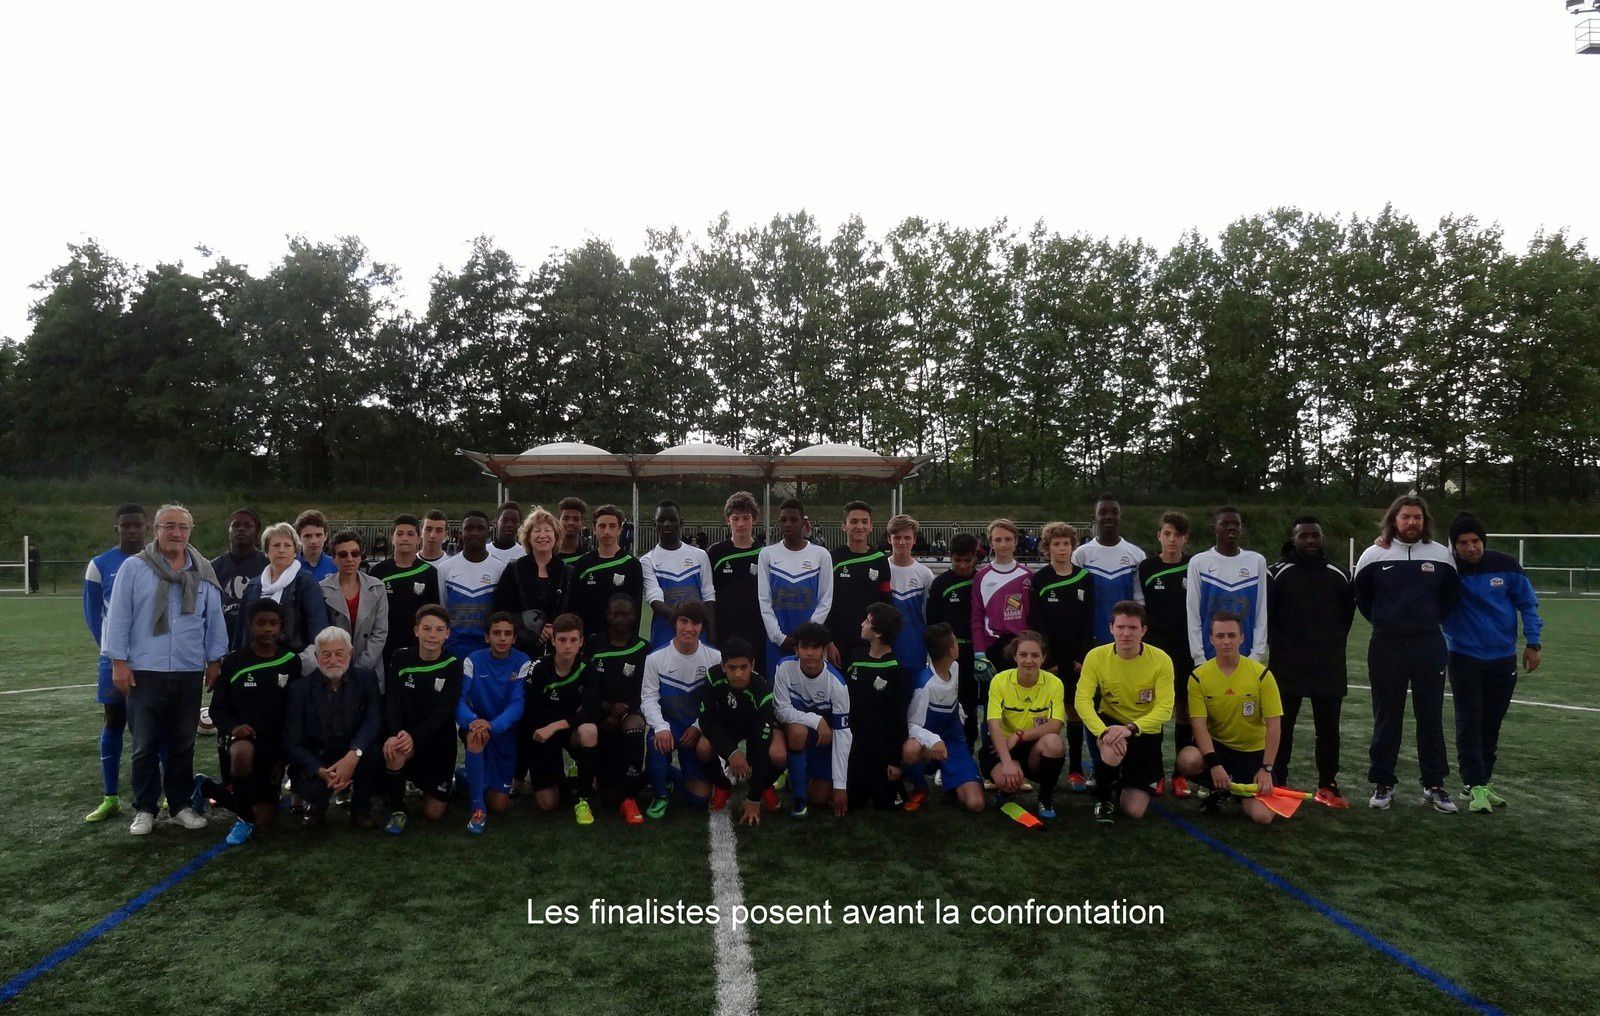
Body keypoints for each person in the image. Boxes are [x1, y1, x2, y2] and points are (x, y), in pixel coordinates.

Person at [102, 503, 228, 836]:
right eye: (168, 525)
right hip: (145, 669)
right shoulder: (134, 568)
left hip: (188, 669)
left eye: (183, 527)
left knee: (182, 743)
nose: (176, 533)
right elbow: (118, 616)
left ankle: (180, 806)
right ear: (155, 530)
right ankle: (144, 809)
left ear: (190, 531)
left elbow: (213, 618)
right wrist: (118, 661)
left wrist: (215, 659)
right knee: (143, 744)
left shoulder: (203, 570)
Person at [1355, 495, 1460, 813]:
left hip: (1429, 644)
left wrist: (1426, 623)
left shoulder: (1442, 555)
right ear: (1393, 519)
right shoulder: (1373, 555)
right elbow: (1363, 599)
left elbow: (1451, 598)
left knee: (1430, 716)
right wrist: (1388, 624)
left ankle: (1434, 785)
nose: (1412, 522)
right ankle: (1383, 783)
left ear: (1425, 520)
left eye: (1417, 517)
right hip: (1386, 644)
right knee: (1387, 716)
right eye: (1405, 517)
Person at [1442, 513, 1542, 814]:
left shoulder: (1507, 565)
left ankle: (1482, 779)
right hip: (1463, 655)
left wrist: (1533, 643)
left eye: (1475, 541)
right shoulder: (1447, 569)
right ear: (1454, 545)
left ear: (1483, 541)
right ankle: (1474, 784)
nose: (1471, 548)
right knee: (1469, 720)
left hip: (1503, 656)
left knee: (1492, 722)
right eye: (1463, 543)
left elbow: (1528, 603)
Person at [1266, 515, 1356, 806]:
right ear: (1293, 539)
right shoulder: (1276, 573)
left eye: (1314, 535)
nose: (1309, 541)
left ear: (1322, 537)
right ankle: (1277, 780)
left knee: (1328, 729)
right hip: (1286, 664)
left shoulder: (1340, 574)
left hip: (1327, 665)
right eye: (1303, 536)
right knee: (1282, 726)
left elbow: (1346, 618)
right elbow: (1269, 618)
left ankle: (1327, 784)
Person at [198, 599, 302, 844]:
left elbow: (295, 711)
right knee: (243, 753)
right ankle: (243, 819)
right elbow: (217, 709)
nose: (267, 629)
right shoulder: (234, 662)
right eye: (261, 623)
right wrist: (234, 728)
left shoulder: (291, 661)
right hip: (242, 742)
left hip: (274, 747)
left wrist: (284, 757)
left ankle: (206, 788)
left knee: (265, 821)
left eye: (273, 624)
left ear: (281, 627)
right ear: (249, 626)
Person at [1175, 612, 1284, 825]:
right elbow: (1198, 726)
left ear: (1242, 638)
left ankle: (1232, 790)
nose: (1226, 641)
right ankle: (1219, 787)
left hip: (1252, 754)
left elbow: (1274, 726)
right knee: (1187, 759)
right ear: (1211, 639)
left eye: (1232, 636)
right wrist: (1214, 764)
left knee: (1263, 817)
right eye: (1221, 635)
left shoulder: (1262, 675)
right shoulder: (1198, 676)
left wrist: (1266, 769)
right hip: (1219, 749)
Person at [1075, 601, 1173, 824]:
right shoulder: (1096, 656)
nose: (1126, 633)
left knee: (1134, 810)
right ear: (1111, 628)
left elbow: (1165, 709)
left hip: (1143, 728)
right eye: (1120, 627)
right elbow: (1082, 701)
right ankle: (1103, 797)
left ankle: (1117, 778)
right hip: (1109, 724)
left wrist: (1131, 728)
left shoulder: (1161, 660)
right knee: (1111, 750)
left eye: (1132, 628)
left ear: (1144, 630)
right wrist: (1102, 732)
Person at [83, 503, 149, 824]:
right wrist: (113, 653)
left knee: (152, 726)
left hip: (152, 662)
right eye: (127, 525)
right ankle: (110, 797)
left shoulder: (158, 561)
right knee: (113, 720)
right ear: (117, 528)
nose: (132, 530)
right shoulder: (99, 565)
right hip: (114, 661)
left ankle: (157, 795)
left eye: (138, 524)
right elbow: (93, 616)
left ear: (147, 527)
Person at [283, 627, 383, 827]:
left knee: (375, 749)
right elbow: (293, 743)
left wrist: (354, 755)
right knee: (313, 788)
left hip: (354, 752)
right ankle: (317, 805)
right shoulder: (299, 689)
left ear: (350, 653)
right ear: (316, 656)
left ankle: (361, 807)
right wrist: (320, 771)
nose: (333, 659)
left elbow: (373, 720)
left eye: (339, 653)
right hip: (319, 759)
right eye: (326, 654)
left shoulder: (366, 679)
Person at [381, 605, 463, 834]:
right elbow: (393, 702)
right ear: (416, 630)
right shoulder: (400, 658)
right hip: (407, 740)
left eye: (439, 630)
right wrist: (396, 734)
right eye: (426, 629)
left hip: (438, 744)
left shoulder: (453, 664)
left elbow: (444, 712)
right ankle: (398, 810)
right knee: (395, 750)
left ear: (447, 633)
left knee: (433, 814)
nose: (432, 635)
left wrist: (414, 735)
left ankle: (459, 779)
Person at [1030, 521, 1096, 793]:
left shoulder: (1084, 578)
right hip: (1052, 660)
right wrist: (1049, 659)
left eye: (1066, 543)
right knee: (1049, 714)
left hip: (1078, 658)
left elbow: (1089, 620)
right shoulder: (1041, 579)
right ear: (1047, 548)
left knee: (1075, 711)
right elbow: (1038, 622)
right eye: (1056, 544)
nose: (1061, 548)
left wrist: (1083, 655)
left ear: (1072, 546)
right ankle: (1046, 767)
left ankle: (1077, 769)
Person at [641, 600, 720, 818]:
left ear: (702, 626)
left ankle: (668, 776)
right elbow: (648, 698)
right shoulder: (655, 659)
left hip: (695, 730)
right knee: (657, 744)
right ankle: (660, 795)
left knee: (700, 798)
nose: (689, 629)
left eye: (695, 623)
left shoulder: (715, 659)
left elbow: (714, 704)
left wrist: (697, 727)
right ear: (674, 623)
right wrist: (661, 727)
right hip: (670, 726)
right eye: (684, 622)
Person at [694, 637, 786, 824]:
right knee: (703, 748)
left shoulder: (763, 691)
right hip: (726, 727)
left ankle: (765, 785)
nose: (738, 674)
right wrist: (732, 753)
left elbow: (761, 746)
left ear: (752, 665)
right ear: (723, 666)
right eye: (732, 668)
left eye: (744, 667)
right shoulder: (713, 677)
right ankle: (722, 785)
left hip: (755, 729)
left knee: (778, 755)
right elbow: (707, 721)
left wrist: (754, 799)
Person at [523, 613, 601, 824]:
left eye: (573, 640)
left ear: (581, 641)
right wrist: (567, 717)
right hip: (543, 734)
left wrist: (557, 724)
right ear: (553, 640)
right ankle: (565, 778)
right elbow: (531, 713)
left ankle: (583, 800)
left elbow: (591, 712)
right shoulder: (539, 668)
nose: (568, 646)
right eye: (563, 640)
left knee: (589, 730)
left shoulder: (587, 668)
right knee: (548, 804)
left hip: (564, 729)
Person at [982, 630, 1067, 820]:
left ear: (1043, 658)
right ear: (1015, 656)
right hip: (1001, 745)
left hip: (1032, 748)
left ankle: (1045, 797)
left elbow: (1055, 725)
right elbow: (993, 726)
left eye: (1035, 655)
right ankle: (1006, 791)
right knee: (1007, 780)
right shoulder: (999, 681)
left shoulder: (1054, 684)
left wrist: (1019, 735)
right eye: (1023, 654)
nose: (1029, 660)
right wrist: (1006, 762)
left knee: (1054, 743)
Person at [458, 613, 530, 835]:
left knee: (499, 804)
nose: (502, 638)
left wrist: (494, 725)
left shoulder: (522, 661)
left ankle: (465, 777)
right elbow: (459, 700)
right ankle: (478, 808)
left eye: (508, 634)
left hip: (504, 734)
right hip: (479, 728)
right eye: (496, 633)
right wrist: (473, 722)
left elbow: (518, 704)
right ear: (487, 637)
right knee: (476, 737)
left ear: (514, 638)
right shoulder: (473, 660)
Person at [772, 621, 852, 819]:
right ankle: (799, 800)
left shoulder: (837, 685)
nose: (809, 653)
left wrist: (840, 786)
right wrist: (815, 719)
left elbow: (843, 734)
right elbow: (780, 710)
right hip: (793, 731)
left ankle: (797, 773)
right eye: (804, 647)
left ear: (824, 649)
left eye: (815, 647)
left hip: (822, 740)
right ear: (796, 649)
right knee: (797, 732)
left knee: (819, 798)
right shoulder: (784, 668)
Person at [902, 623, 984, 813]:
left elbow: (954, 701)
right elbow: (911, 724)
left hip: (954, 741)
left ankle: (952, 778)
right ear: (951, 650)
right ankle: (919, 785)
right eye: (956, 641)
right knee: (910, 749)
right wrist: (934, 741)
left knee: (976, 804)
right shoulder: (925, 685)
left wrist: (960, 717)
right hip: (930, 746)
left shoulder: (954, 667)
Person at [585, 594, 652, 823]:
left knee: (635, 725)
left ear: (634, 617)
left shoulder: (644, 648)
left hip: (629, 713)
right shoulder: (593, 645)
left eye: (626, 614)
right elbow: (588, 687)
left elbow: (646, 690)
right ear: (607, 615)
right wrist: (607, 710)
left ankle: (631, 798)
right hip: (601, 716)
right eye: (616, 614)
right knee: (609, 796)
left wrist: (623, 712)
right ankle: (649, 777)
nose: (620, 619)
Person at [1140, 511, 1193, 794]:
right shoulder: (1146, 567)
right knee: (1156, 712)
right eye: (1167, 533)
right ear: (1159, 535)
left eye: (1178, 534)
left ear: (1185, 538)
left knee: (1184, 711)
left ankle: (1180, 775)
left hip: (1186, 649)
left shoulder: (1194, 566)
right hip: (1155, 650)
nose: (1172, 539)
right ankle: (1155, 773)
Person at [845, 602, 911, 811]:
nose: (861, 624)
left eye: (867, 622)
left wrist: (894, 761)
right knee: (853, 802)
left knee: (889, 804)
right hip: (854, 747)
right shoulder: (855, 657)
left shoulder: (896, 670)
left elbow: (898, 719)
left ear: (879, 632)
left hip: (881, 750)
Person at [757, 498, 834, 675]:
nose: (787, 524)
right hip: (778, 643)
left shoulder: (821, 555)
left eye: (793, 519)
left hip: (811, 643)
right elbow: (764, 600)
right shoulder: (767, 555)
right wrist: (778, 637)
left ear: (803, 522)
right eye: (783, 520)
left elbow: (825, 600)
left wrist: (807, 636)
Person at [1185, 507, 1268, 667]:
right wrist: (1199, 656)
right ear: (1213, 528)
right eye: (1225, 523)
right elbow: (1193, 613)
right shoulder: (1199, 562)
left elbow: (1260, 611)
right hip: (1208, 657)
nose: (1231, 527)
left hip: (1247, 655)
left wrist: (1256, 654)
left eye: (1236, 524)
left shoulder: (1256, 561)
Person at [233, 522, 328, 654]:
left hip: (293, 659)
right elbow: (241, 627)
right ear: (266, 552)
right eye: (276, 545)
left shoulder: (305, 581)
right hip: (253, 659)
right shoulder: (254, 585)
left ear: (295, 552)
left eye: (287, 545)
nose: (282, 550)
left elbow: (317, 623)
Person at [493, 507, 573, 659]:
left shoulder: (568, 571)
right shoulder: (513, 569)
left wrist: (554, 628)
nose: (543, 535)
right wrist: (533, 628)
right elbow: (501, 609)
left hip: (559, 649)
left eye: (548, 530)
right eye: (537, 531)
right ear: (528, 537)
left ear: (556, 536)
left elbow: (576, 610)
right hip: (520, 650)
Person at [368, 514, 442, 673]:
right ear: (392, 537)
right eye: (400, 533)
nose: (405, 538)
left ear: (418, 538)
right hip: (385, 645)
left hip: (417, 645)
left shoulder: (429, 573)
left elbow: (435, 613)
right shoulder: (378, 572)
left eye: (410, 534)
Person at [314, 531, 389, 685]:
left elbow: (380, 632)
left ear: (361, 556)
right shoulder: (321, 589)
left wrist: (361, 667)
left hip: (369, 668)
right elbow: (320, 633)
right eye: (343, 554)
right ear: (334, 558)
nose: (350, 559)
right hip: (334, 669)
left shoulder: (377, 587)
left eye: (355, 553)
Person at [641, 500, 716, 649]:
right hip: (664, 636)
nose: (667, 524)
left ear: (681, 522)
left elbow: (708, 596)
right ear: (654, 524)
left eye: (672, 519)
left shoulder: (700, 555)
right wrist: (687, 618)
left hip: (697, 634)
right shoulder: (647, 560)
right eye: (661, 520)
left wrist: (712, 635)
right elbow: (655, 600)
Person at [1072, 494, 1146, 646]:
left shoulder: (1136, 554)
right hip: (1091, 634)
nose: (1109, 516)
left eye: (1114, 512)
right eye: (1103, 512)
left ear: (1120, 516)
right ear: (1094, 517)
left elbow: (1139, 600)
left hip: (1125, 636)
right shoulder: (1082, 554)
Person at [928, 532, 981, 743]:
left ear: (975, 557)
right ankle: (944, 749)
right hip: (948, 653)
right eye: (957, 560)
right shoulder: (941, 583)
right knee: (946, 702)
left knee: (971, 703)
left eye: (967, 560)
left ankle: (967, 749)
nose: (962, 565)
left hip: (977, 652)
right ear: (950, 557)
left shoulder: (982, 580)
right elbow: (933, 621)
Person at [436, 510, 508, 660]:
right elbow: (442, 610)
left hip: (488, 649)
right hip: (453, 648)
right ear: (461, 532)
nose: (474, 533)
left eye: (480, 528)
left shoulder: (501, 568)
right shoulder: (445, 568)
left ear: (489, 532)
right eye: (468, 528)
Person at [826, 500, 891, 664]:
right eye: (853, 521)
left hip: (871, 642)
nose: (859, 526)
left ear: (871, 526)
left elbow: (886, 604)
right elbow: (825, 603)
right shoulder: (832, 558)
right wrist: (828, 641)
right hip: (839, 642)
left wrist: (883, 640)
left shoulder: (880, 560)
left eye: (864, 521)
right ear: (844, 526)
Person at [569, 504, 644, 639]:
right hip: (590, 641)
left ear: (620, 529)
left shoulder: (632, 564)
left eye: (612, 526)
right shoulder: (583, 564)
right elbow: (577, 607)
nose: (607, 531)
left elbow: (636, 608)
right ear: (594, 529)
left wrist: (632, 640)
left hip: (621, 641)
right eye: (602, 526)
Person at [709, 491, 766, 657]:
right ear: (728, 520)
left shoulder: (765, 554)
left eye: (746, 518)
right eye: (735, 518)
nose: (741, 523)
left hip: (756, 631)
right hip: (725, 631)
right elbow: (708, 594)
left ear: (754, 520)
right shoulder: (715, 553)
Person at [971, 518, 1032, 669]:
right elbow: (977, 617)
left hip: (1020, 648)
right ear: (991, 543)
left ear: (1016, 541)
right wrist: (979, 652)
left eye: (1008, 539)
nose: (1003, 544)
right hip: (992, 647)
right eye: (998, 540)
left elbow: (1032, 616)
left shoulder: (1027, 575)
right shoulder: (981, 576)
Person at [887, 514, 934, 675]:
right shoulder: (881, 569)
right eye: (897, 537)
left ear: (914, 540)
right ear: (889, 539)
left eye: (907, 537)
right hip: (886, 647)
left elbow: (927, 614)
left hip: (914, 647)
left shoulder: (924, 574)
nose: (902, 542)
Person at [210, 508, 266, 636]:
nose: (241, 529)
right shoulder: (213, 567)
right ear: (228, 531)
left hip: (257, 636)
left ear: (257, 532)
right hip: (222, 636)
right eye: (235, 525)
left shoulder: (267, 565)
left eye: (247, 525)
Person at [295, 509, 336, 583]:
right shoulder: (289, 567)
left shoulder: (336, 565)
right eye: (308, 536)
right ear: (299, 537)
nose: (314, 541)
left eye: (318, 535)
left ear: (325, 536)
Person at [487, 501, 527, 566]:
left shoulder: (524, 554)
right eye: (504, 520)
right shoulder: (485, 551)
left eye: (514, 521)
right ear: (496, 521)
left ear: (520, 524)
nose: (509, 524)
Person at [556, 496, 593, 565]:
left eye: (576, 519)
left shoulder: (588, 556)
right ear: (558, 521)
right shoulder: (547, 554)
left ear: (582, 523)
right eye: (566, 518)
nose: (571, 523)